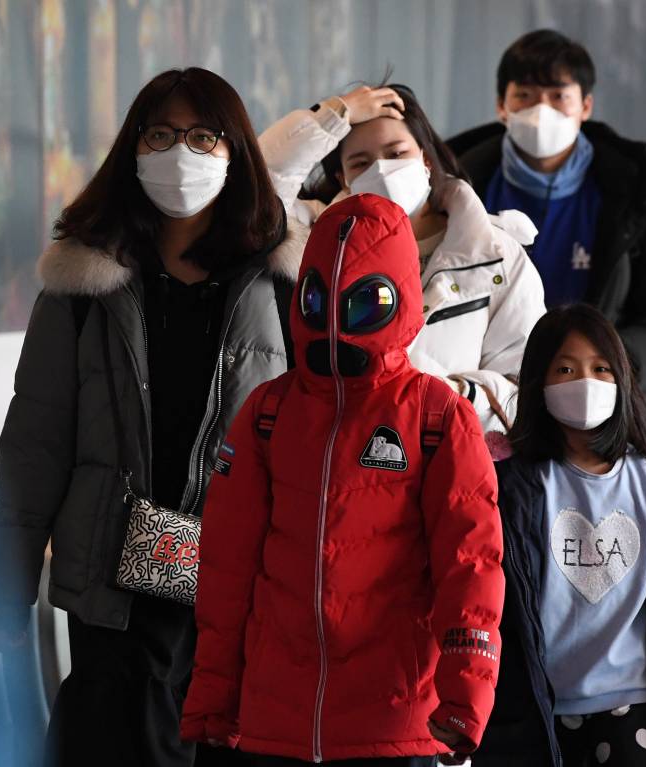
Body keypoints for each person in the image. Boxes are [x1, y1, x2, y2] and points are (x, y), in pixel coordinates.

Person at [0, 67, 306, 766]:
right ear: (132, 149)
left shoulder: (279, 284)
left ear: (234, 151)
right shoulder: (83, 283)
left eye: (199, 135)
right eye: (160, 134)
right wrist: (2, 587)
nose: (178, 152)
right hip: (111, 586)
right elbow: (34, 444)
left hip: (235, 586)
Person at [180, 193, 505, 766]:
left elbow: (470, 568)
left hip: (395, 722)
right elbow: (226, 569)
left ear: (400, 299)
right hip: (273, 723)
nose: (335, 324)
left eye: (362, 306)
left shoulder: (435, 415)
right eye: (319, 301)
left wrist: (466, 696)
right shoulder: (268, 413)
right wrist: (213, 696)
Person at [472, 304, 646, 767]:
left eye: (601, 368)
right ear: (538, 382)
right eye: (565, 368)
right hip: (532, 710)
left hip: (632, 706)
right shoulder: (505, 486)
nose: (585, 382)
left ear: (622, 381)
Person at [258, 83, 545, 432]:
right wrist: (336, 115)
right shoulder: (317, 240)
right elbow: (256, 192)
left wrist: (449, 395)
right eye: (361, 163)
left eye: (396, 154)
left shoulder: (495, 254)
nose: (381, 171)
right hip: (340, 455)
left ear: (425, 159)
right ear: (343, 179)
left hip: (450, 461)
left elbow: (524, 386)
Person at [446, 29, 646, 399]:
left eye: (558, 96)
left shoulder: (631, 205)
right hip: (481, 400)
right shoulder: (455, 192)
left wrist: (605, 366)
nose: (541, 110)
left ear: (585, 106)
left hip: (600, 409)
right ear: (501, 107)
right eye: (525, 95)